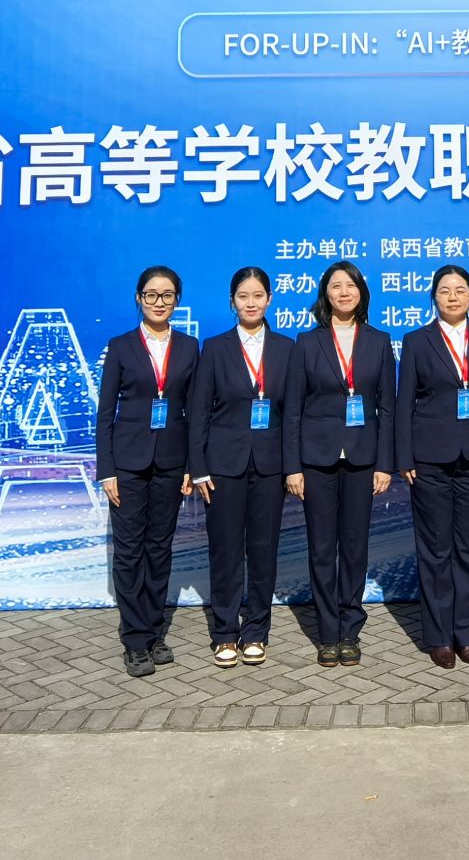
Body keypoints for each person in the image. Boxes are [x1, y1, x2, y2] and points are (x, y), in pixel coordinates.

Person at [395, 265, 469, 668]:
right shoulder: (416, 341)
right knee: (435, 549)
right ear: (434, 298)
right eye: (444, 291)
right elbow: (404, 403)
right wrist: (404, 457)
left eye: (460, 290)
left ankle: (466, 635)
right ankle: (439, 637)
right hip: (429, 460)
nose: (453, 297)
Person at [283, 260, 394, 667]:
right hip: (316, 459)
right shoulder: (306, 342)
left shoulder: (379, 341)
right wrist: (292, 467)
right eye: (336, 286)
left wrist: (385, 464)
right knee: (321, 547)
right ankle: (327, 631)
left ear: (361, 292)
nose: (344, 292)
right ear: (325, 294)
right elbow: (293, 410)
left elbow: (388, 406)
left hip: (363, 458)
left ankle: (350, 628)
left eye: (351, 285)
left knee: (354, 547)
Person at [188, 266, 296, 667]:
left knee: (263, 551)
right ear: (232, 301)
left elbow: (293, 414)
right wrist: (199, 467)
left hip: (270, 466)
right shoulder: (215, 348)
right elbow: (199, 412)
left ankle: (256, 631)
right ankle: (224, 633)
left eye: (258, 295)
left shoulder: (287, 349)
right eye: (243, 296)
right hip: (223, 467)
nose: (251, 303)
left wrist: (292, 467)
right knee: (226, 551)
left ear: (269, 299)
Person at [94, 265, 197, 679]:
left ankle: (154, 632)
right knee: (129, 552)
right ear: (139, 298)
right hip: (128, 465)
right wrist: (107, 470)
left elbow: (195, 411)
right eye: (151, 294)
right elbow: (105, 413)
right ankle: (135, 640)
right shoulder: (120, 346)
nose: (159, 302)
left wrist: (191, 466)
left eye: (167, 295)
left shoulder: (189, 347)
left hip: (171, 463)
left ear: (177, 301)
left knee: (159, 549)